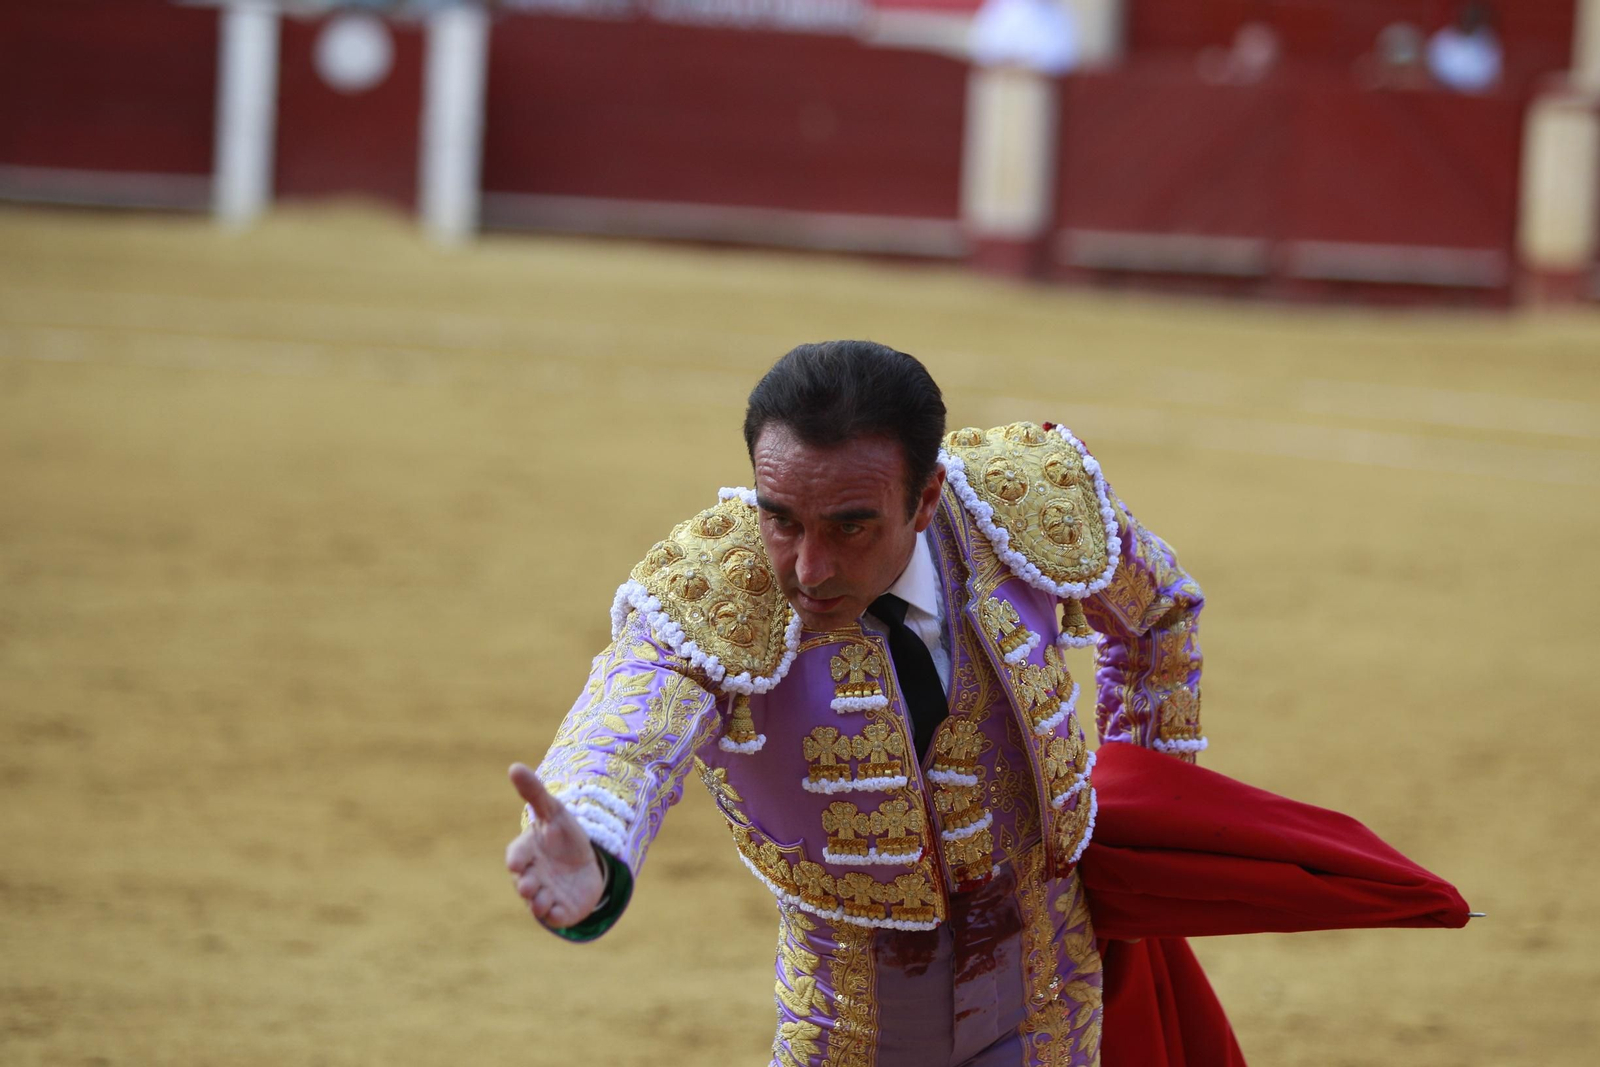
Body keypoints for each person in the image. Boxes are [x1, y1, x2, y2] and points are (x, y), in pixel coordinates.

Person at [505, 339, 1208, 1065]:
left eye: (850, 525)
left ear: (926, 496)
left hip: (1046, 1002)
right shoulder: (715, 591)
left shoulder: (1021, 501)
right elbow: (625, 728)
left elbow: (1159, 612)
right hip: (850, 1024)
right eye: (781, 520)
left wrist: (1150, 806)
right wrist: (595, 837)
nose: (809, 569)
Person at [1426, 1, 1502, 93]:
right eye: (1467, 16)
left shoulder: (1489, 42)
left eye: (1473, 17)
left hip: (1477, 96)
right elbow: (1435, 69)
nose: (1469, 20)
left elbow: (1490, 74)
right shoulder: (1442, 39)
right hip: (1445, 94)